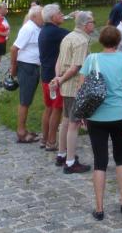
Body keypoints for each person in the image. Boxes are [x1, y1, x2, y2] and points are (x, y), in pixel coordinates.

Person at [79, 26, 122, 220]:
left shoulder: (91, 59)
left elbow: (82, 88)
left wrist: (83, 114)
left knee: (99, 161)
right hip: (119, 114)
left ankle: (99, 207)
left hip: (96, 116)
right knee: (121, 158)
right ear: (118, 42)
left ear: (101, 41)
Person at [51, 11, 94, 174]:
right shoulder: (82, 41)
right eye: (93, 22)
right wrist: (60, 80)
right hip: (74, 86)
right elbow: (76, 67)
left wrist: (58, 78)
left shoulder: (68, 37)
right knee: (74, 124)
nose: (94, 25)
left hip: (65, 85)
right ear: (86, 24)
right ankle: (70, 162)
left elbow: (59, 61)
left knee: (67, 120)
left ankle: (62, 154)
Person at [37, 4, 71, 151]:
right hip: (54, 78)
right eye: (59, 13)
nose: (62, 15)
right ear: (53, 17)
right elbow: (76, 36)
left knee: (49, 108)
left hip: (45, 75)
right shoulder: (55, 32)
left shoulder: (44, 30)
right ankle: (51, 141)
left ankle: (44, 139)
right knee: (56, 109)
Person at [10, 5, 43, 143]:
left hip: (32, 66)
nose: (44, 17)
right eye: (42, 14)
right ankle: (21, 132)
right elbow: (14, 49)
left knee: (27, 100)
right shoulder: (29, 28)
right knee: (25, 100)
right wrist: (13, 69)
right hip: (27, 66)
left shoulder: (36, 27)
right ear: (34, 16)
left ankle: (24, 129)